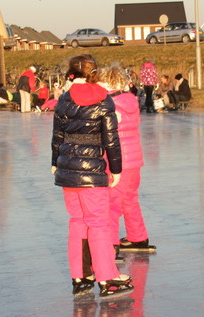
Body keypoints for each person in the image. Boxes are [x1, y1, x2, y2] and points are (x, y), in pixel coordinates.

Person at [51, 54, 133, 298]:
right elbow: (111, 139)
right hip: (93, 171)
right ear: (94, 73)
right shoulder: (103, 99)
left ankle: (80, 275)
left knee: (77, 221)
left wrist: (55, 163)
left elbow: (57, 136)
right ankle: (107, 277)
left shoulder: (63, 100)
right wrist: (116, 169)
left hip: (68, 170)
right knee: (98, 223)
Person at [100, 64, 156, 255]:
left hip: (116, 160)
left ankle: (110, 244)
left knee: (112, 203)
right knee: (130, 199)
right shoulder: (130, 101)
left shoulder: (108, 104)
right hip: (134, 159)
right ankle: (138, 237)